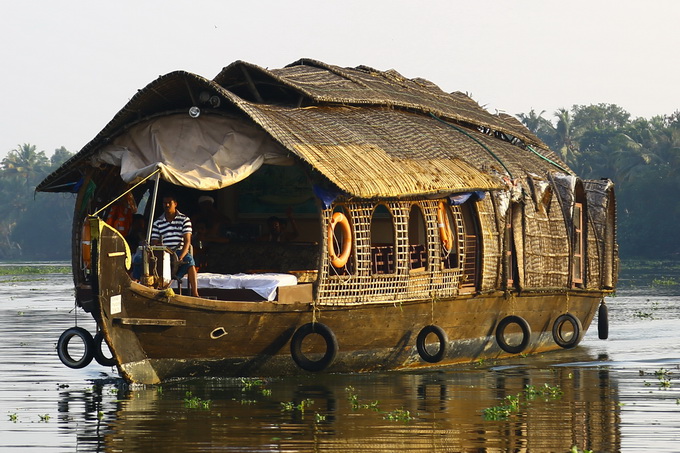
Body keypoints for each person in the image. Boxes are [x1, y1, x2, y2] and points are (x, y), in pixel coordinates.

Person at [150, 194, 199, 297]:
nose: (167, 205)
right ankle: (158, 289)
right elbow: (154, 242)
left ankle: (195, 293)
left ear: (175, 204)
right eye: (164, 203)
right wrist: (160, 247)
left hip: (180, 251)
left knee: (190, 262)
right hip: (164, 252)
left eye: (169, 203)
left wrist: (180, 257)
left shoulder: (184, 219)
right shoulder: (157, 222)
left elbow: (187, 242)